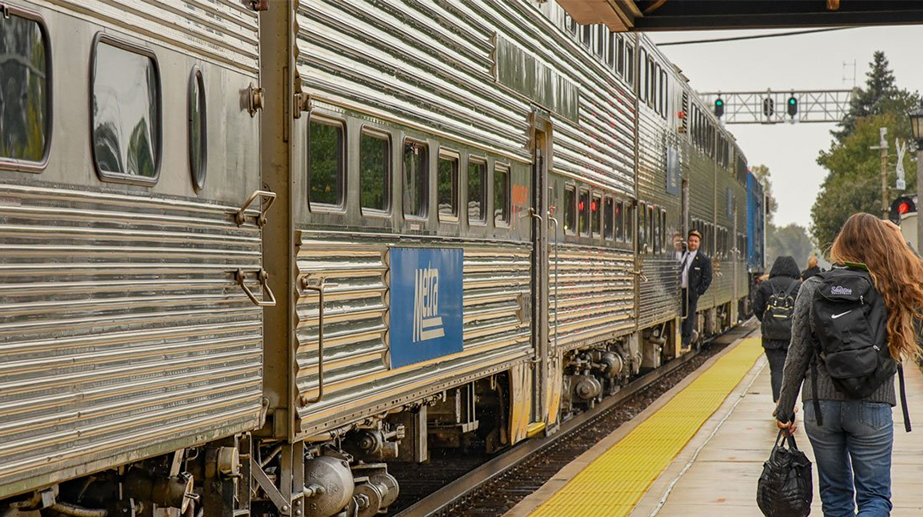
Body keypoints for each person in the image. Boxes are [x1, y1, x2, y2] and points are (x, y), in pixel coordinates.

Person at [776, 213, 923, 516]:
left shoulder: (812, 287)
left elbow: (797, 354)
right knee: (874, 498)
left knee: (835, 497)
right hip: (872, 404)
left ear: (841, 243)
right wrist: (898, 238)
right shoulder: (890, 286)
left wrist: (785, 408)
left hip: (821, 407)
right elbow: (917, 271)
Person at [752, 256, 801, 403]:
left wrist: (769, 322)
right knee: (792, 372)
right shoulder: (799, 286)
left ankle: (779, 402)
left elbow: (757, 308)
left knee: (776, 369)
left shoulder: (766, 286)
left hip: (771, 337)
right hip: (792, 336)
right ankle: (790, 404)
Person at [680, 229, 712, 349]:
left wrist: (698, 291)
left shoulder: (703, 259)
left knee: (689, 316)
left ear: (699, 243)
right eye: (691, 241)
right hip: (678, 292)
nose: (693, 243)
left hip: (691, 292)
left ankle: (686, 340)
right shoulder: (681, 255)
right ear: (688, 241)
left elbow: (707, 278)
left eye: (695, 241)